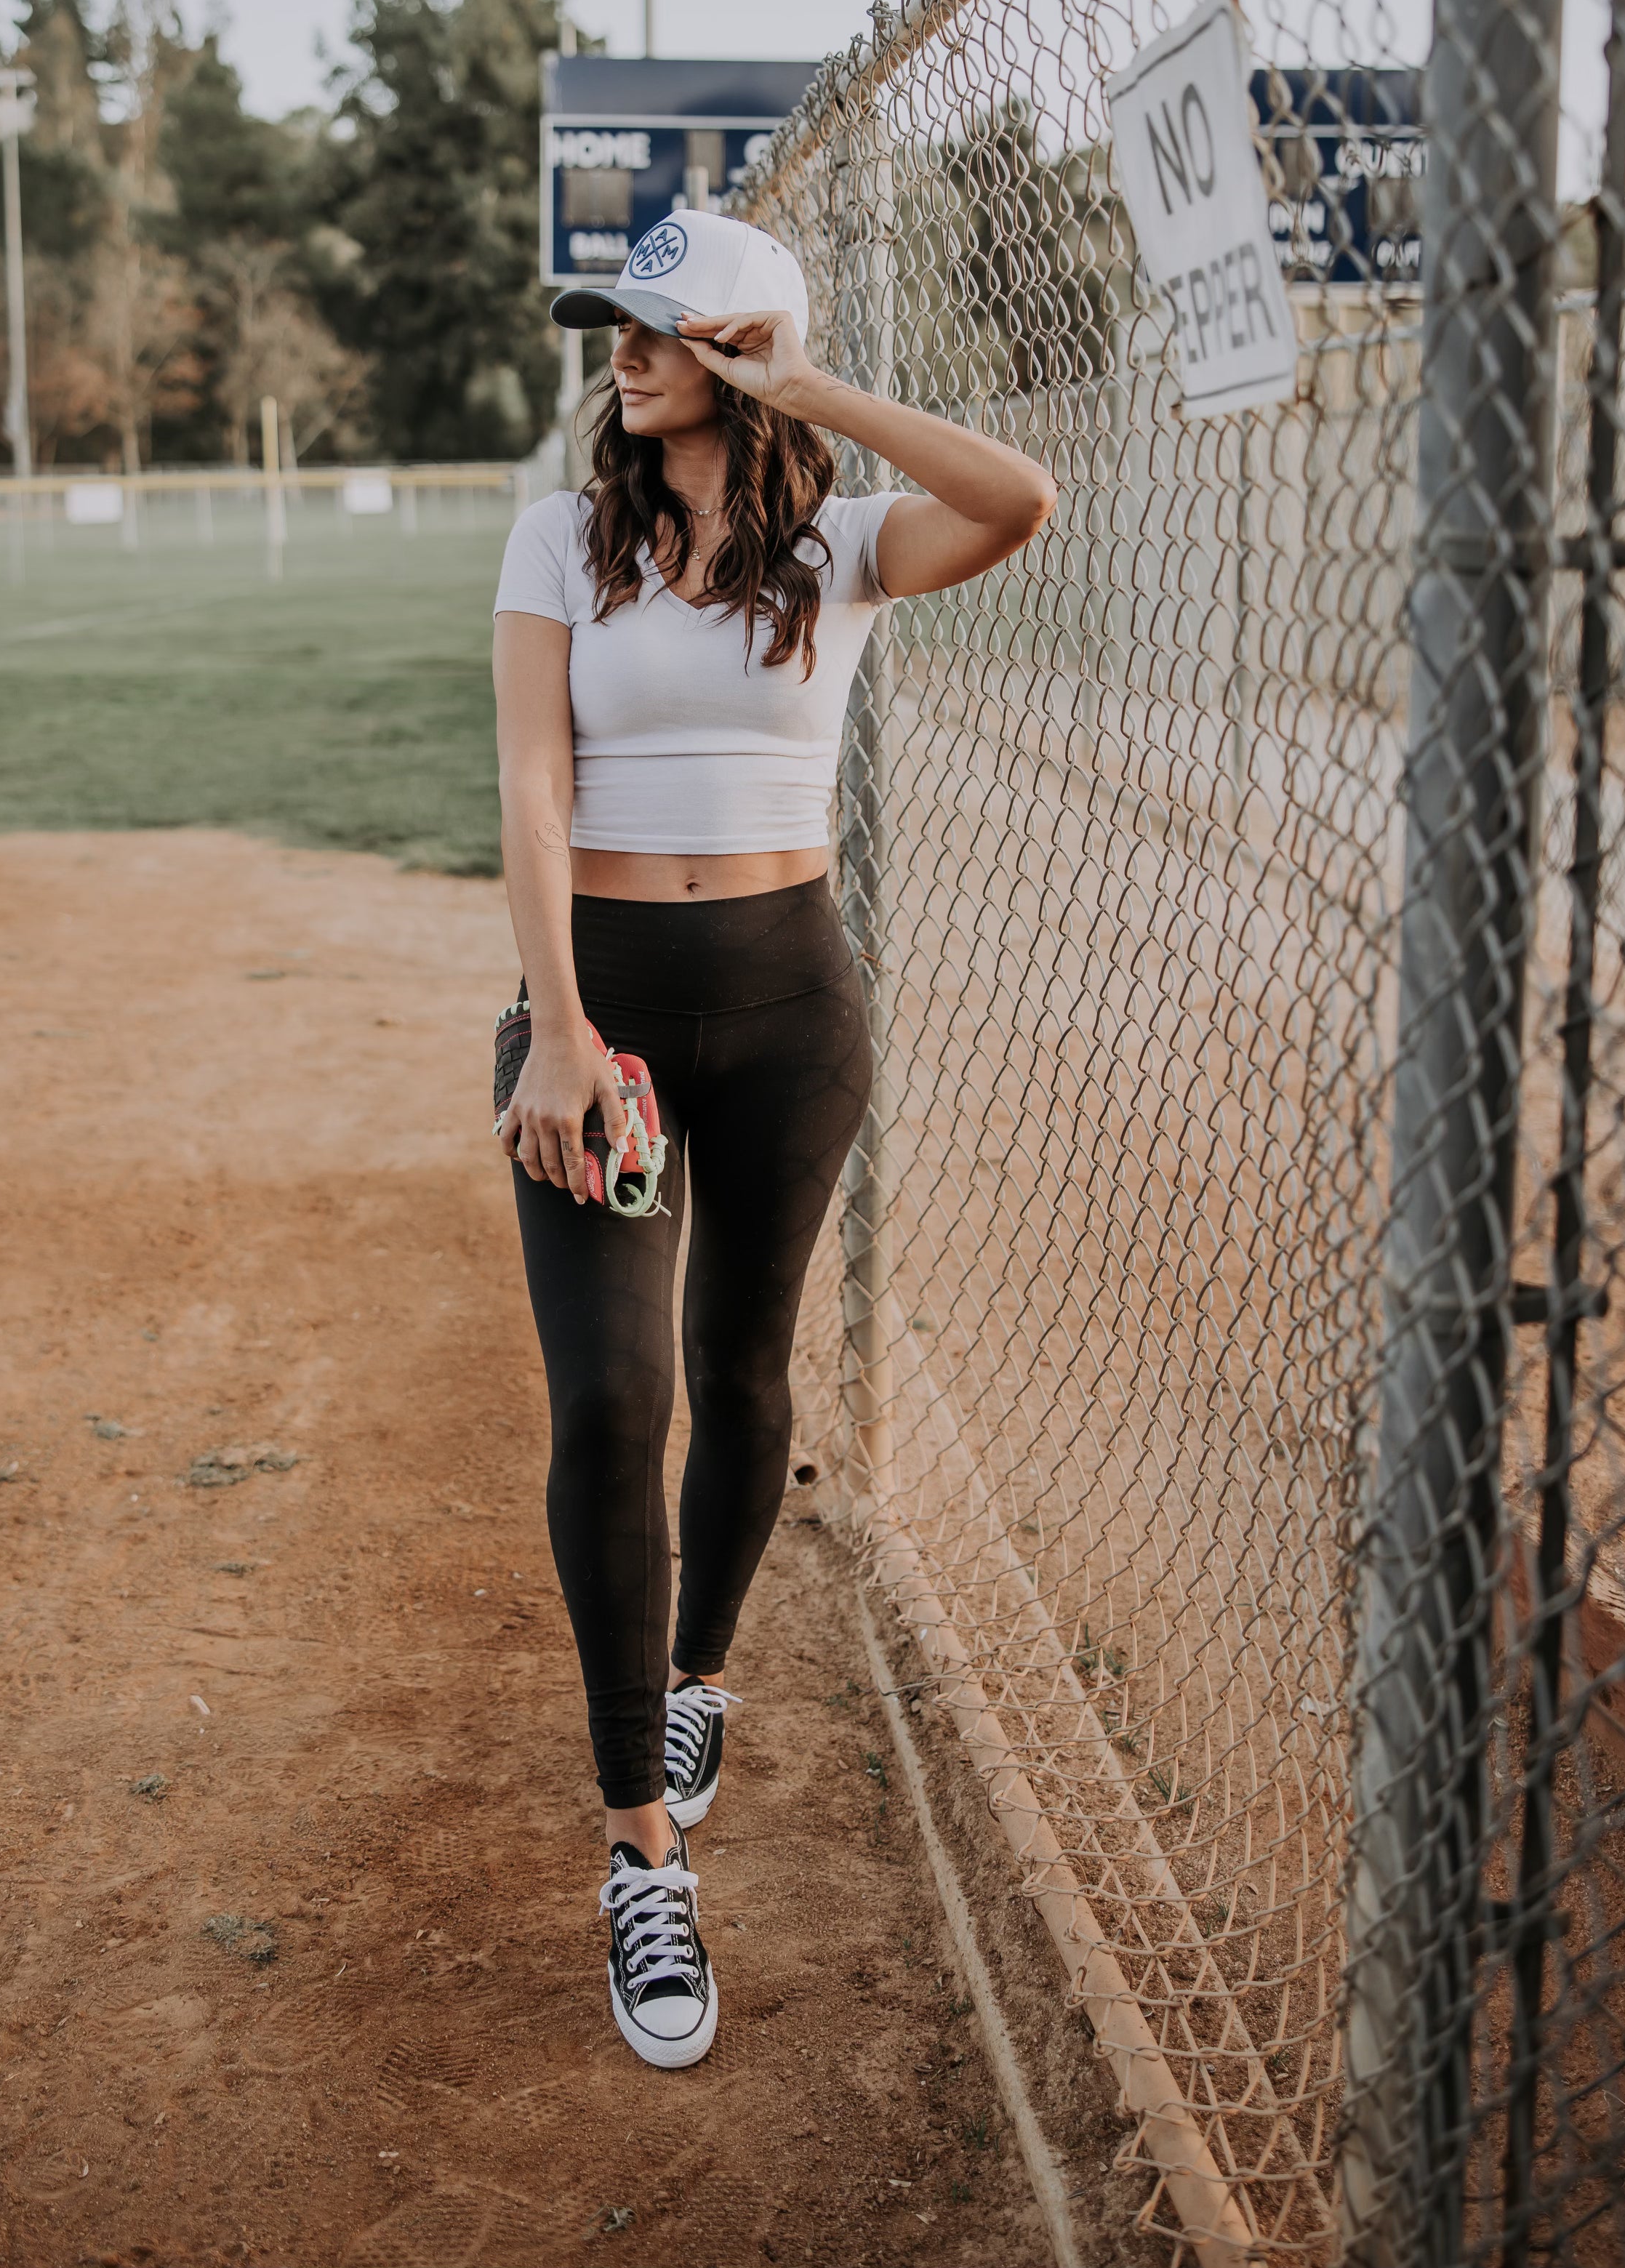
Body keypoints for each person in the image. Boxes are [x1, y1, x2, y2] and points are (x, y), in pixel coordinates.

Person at [491, 208, 1055, 2070]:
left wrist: (808, 387)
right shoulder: (565, 526)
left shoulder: (841, 540)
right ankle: (640, 1853)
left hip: (792, 1009)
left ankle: (698, 1679)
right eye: (616, 329)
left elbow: (1019, 495)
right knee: (610, 1402)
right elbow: (529, 779)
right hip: (612, 1028)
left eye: (660, 328)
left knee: (742, 1370)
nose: (623, 355)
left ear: (745, 344)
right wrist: (562, 1032)